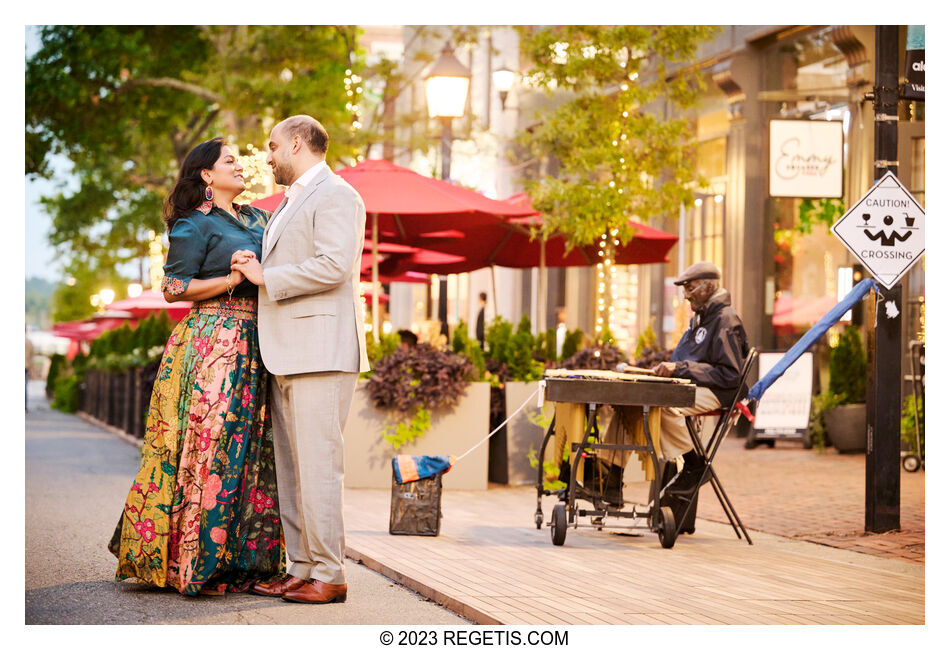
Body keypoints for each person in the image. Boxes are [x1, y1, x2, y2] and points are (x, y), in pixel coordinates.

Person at [108, 138, 284, 596]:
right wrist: (232, 278)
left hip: (258, 342)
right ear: (206, 175)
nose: (241, 167)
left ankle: (239, 562)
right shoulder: (193, 224)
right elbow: (172, 287)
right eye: (230, 161)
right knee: (209, 445)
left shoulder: (259, 218)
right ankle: (194, 561)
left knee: (247, 446)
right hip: (212, 342)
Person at [231, 115, 369, 605]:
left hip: (322, 352)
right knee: (293, 471)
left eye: (271, 147)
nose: (267, 157)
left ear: (296, 143)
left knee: (319, 468)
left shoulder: (337, 194)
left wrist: (267, 276)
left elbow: (334, 264)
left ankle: (330, 575)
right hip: (287, 353)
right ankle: (302, 567)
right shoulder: (290, 201)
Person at [652, 261, 749, 497]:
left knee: (665, 407)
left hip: (720, 390)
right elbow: (684, 361)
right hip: (698, 386)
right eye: (684, 289)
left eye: (691, 288)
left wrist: (680, 368)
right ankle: (610, 472)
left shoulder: (725, 319)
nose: (686, 296)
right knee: (641, 402)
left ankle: (694, 465)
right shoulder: (700, 319)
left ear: (709, 286)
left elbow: (730, 374)